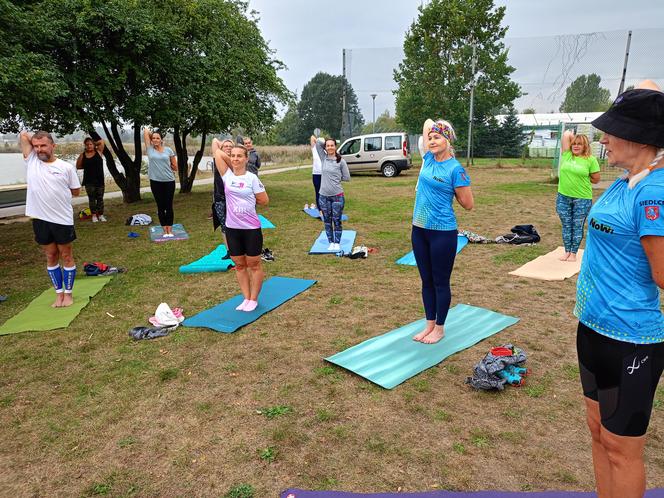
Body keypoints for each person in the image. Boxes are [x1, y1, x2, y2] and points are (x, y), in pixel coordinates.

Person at [575, 80, 664, 498]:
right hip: (592, 330)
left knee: (622, 450)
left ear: (641, 137)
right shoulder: (624, 181)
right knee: (598, 434)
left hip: (631, 339)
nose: (603, 139)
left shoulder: (655, 191)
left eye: (611, 131)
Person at [411, 119, 473, 344]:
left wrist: (452, 190)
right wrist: (436, 126)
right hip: (419, 230)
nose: (432, 140)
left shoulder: (456, 169)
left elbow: (468, 204)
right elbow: (427, 124)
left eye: (438, 137)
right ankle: (429, 325)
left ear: (448, 141)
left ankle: (440, 328)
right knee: (425, 281)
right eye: (431, 138)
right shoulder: (427, 158)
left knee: (440, 281)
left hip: (442, 233)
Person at [19, 131, 81, 307]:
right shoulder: (31, 160)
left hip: (62, 219)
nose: (39, 149)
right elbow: (24, 135)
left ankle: (68, 295)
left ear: (53, 146)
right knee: (51, 255)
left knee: (66, 255)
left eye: (43, 145)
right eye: (36, 146)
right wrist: (37, 137)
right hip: (40, 219)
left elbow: (75, 191)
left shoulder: (66, 167)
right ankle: (58, 294)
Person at [212, 138, 269, 312]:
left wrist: (248, 201)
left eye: (239, 156)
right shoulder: (226, 176)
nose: (235, 158)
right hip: (232, 228)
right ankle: (245, 298)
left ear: (247, 158)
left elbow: (264, 200)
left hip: (251, 229)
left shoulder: (252, 178)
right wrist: (232, 163)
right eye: (233, 156)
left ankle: (254, 299)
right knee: (239, 264)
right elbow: (217, 151)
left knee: (254, 264)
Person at [556, 130, 601, 261]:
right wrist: (574, 135)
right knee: (566, 224)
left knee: (577, 225)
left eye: (579, 144)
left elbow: (596, 179)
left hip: (582, 198)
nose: (575, 146)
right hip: (563, 197)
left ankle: (574, 253)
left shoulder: (590, 160)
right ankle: (567, 251)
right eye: (574, 143)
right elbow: (565, 135)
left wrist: (582, 179)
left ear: (585, 146)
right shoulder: (567, 155)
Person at [310, 135, 351, 251]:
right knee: (327, 220)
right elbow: (317, 143)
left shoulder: (341, 161)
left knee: (337, 220)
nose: (329, 147)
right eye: (328, 146)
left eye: (332, 145)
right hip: (323, 196)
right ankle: (331, 242)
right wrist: (325, 143)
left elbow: (347, 177)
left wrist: (336, 178)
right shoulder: (323, 158)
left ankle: (337, 242)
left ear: (335, 146)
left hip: (337, 196)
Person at [144, 127, 178, 237]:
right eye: (153, 138)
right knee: (160, 206)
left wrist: (170, 166)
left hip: (169, 181)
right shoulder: (149, 149)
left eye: (157, 138)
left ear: (161, 139)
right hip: (155, 182)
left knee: (168, 206)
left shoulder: (168, 150)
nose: (155, 140)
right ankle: (165, 230)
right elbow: (145, 131)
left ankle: (170, 229)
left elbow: (175, 167)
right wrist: (152, 135)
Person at [211, 139, 235, 259]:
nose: (228, 147)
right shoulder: (217, 159)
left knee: (234, 224)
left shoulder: (236, 160)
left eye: (231, 146)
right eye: (225, 146)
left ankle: (237, 248)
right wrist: (221, 144)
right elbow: (214, 140)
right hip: (220, 197)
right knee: (224, 224)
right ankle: (229, 250)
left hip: (233, 198)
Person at [76, 136, 107, 222]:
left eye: (90, 144)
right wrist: (87, 166)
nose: (89, 146)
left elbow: (101, 141)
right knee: (92, 198)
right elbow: (78, 166)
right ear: (84, 146)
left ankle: (100, 215)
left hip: (100, 180)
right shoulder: (83, 155)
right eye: (87, 145)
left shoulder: (99, 152)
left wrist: (94, 144)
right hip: (89, 181)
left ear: (93, 145)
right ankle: (94, 216)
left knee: (100, 198)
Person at [311, 136, 324, 213]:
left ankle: (326, 208)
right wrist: (318, 142)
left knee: (325, 192)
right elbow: (312, 137)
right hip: (316, 174)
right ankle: (320, 209)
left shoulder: (325, 150)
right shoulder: (314, 149)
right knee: (318, 192)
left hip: (325, 174)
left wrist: (323, 145)